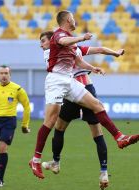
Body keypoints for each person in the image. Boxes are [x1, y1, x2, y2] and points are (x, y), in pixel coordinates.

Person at [29, 10, 139, 181]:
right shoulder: (58, 35)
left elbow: (78, 60)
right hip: (56, 81)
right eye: (72, 19)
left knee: (97, 105)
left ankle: (120, 137)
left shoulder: (71, 43)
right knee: (51, 122)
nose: (75, 21)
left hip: (70, 80)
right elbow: (64, 41)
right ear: (66, 20)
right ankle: (35, 160)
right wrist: (82, 38)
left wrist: (93, 68)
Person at [39, 31, 125, 189]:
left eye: (43, 41)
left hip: (72, 91)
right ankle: (104, 172)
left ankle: (56, 162)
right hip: (87, 88)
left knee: (59, 127)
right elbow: (99, 49)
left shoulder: (55, 51)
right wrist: (115, 53)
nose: (41, 44)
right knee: (97, 133)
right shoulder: (77, 48)